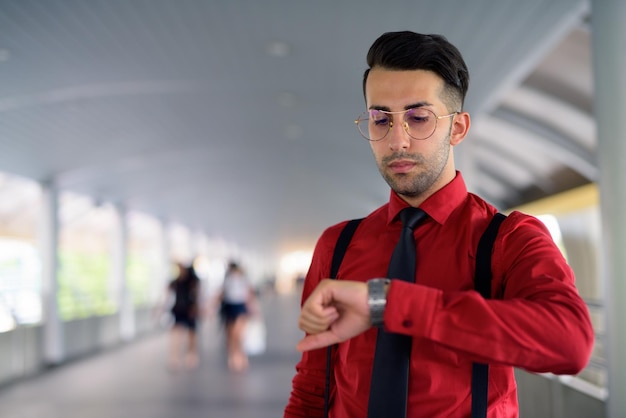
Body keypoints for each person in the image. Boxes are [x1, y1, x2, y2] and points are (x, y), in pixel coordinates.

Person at [284, 31, 594, 418]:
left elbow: (569, 343)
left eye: (418, 118)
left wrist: (388, 304)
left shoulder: (508, 239)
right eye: (381, 119)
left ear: (459, 128)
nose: (397, 140)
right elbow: (314, 387)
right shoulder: (338, 244)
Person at [217, 261, 257, 372]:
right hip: (230, 307)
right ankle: (234, 355)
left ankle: (240, 356)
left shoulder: (242, 280)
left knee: (238, 333)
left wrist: (254, 309)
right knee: (232, 334)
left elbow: (249, 295)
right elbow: (221, 294)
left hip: (239, 307)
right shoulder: (228, 280)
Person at [165, 262, 201, 371]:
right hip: (178, 310)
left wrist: (196, 308)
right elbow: (167, 296)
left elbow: (196, 295)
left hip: (189, 310)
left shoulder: (192, 282)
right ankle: (174, 357)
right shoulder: (175, 282)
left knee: (191, 334)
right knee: (176, 333)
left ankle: (191, 354)